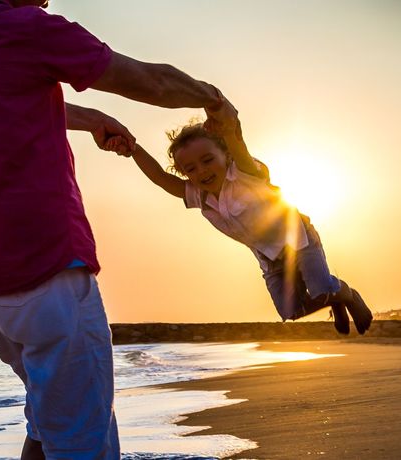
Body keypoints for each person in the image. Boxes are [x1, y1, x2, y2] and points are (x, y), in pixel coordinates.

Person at [0, 0, 234, 457]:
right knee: (83, 441)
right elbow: (149, 81)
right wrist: (212, 98)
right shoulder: (28, 27)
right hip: (44, 267)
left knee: (47, 423)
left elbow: (0, 101)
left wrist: (89, 121)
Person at [115, 100, 373, 335]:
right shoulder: (199, 195)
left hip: (298, 238)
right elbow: (162, 179)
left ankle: (345, 295)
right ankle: (331, 296)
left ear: (225, 155)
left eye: (207, 160)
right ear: (184, 173)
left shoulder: (244, 173)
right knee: (290, 312)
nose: (201, 171)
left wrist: (226, 127)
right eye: (190, 168)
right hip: (269, 257)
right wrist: (133, 149)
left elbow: (238, 144)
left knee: (321, 289)